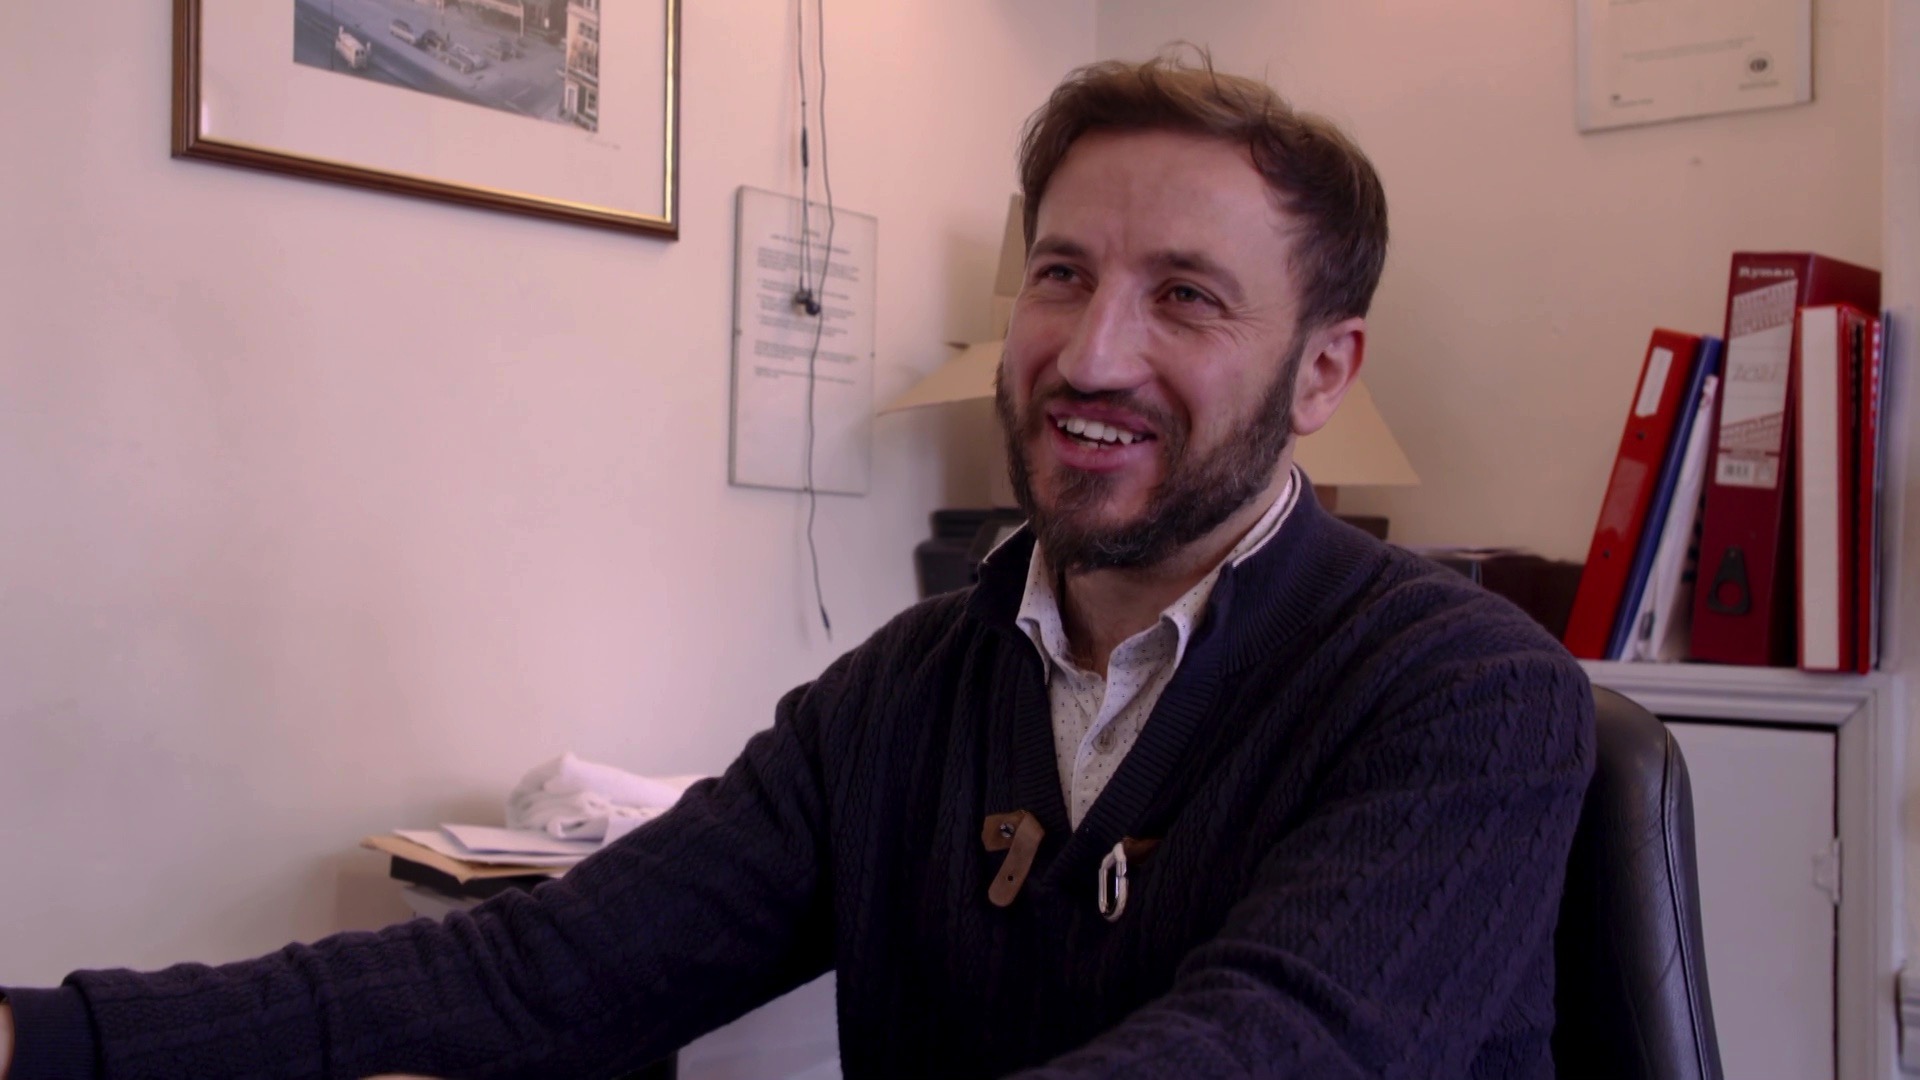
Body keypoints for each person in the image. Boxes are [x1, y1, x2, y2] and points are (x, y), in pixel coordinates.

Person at [0, 53, 1593, 1079]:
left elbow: (1267, 1050)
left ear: (1324, 373)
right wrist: (49, 1037)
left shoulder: (1467, 690)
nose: (1091, 353)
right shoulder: (902, 697)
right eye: (1060, 275)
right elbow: (547, 968)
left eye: (1186, 297)